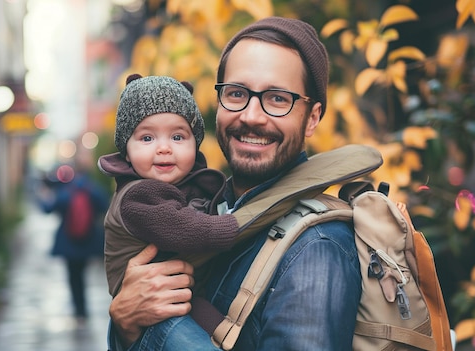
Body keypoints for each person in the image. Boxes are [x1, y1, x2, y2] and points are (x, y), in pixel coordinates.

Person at [108, 16, 362, 351]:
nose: (252, 116)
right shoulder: (208, 206)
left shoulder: (315, 248)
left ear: (312, 118)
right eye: (237, 93)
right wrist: (125, 324)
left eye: (277, 99)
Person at [98, 74, 245, 346]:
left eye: (178, 136)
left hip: (181, 299)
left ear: (195, 144)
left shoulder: (187, 187)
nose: (164, 148)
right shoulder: (137, 195)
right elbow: (183, 228)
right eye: (147, 138)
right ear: (126, 152)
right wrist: (235, 225)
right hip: (152, 313)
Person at [36, 161, 110, 323]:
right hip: (89, 241)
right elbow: (106, 206)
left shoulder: (65, 191)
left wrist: (42, 194)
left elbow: (47, 209)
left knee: (73, 276)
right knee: (82, 274)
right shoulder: (92, 189)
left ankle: (79, 311)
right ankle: (83, 308)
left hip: (68, 242)